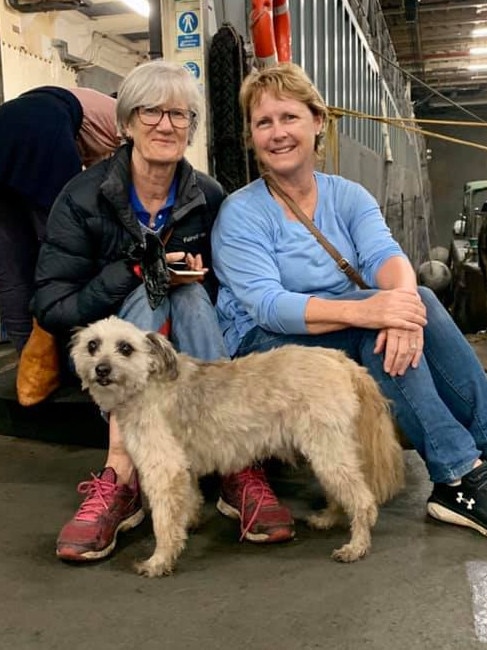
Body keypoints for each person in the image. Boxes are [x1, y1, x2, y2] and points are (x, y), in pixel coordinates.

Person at [212, 61, 487, 541]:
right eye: (264, 122)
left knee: (417, 294)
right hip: (265, 344)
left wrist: (399, 308)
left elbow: (386, 256)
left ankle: (482, 448)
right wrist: (369, 311)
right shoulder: (241, 213)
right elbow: (268, 305)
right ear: (252, 136)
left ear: (317, 121)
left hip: (341, 324)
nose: (277, 133)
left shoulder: (348, 197)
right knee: (371, 329)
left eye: (289, 118)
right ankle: (456, 473)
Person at [32, 59, 292, 564]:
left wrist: (196, 276)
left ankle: (231, 461)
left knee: (189, 295)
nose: (165, 124)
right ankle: (123, 469)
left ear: (191, 129)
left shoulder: (209, 197)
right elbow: (53, 304)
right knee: (153, 295)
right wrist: (137, 270)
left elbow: (229, 289)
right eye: (151, 111)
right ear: (126, 123)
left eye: (179, 114)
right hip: (113, 351)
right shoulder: (82, 199)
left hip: (186, 362)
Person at [0, 85, 120, 354]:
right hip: (44, 133)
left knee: (11, 267)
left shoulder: (83, 103)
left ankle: (29, 363)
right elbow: (109, 180)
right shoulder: (121, 115)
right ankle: (70, 357)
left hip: (5, 126)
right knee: (66, 254)